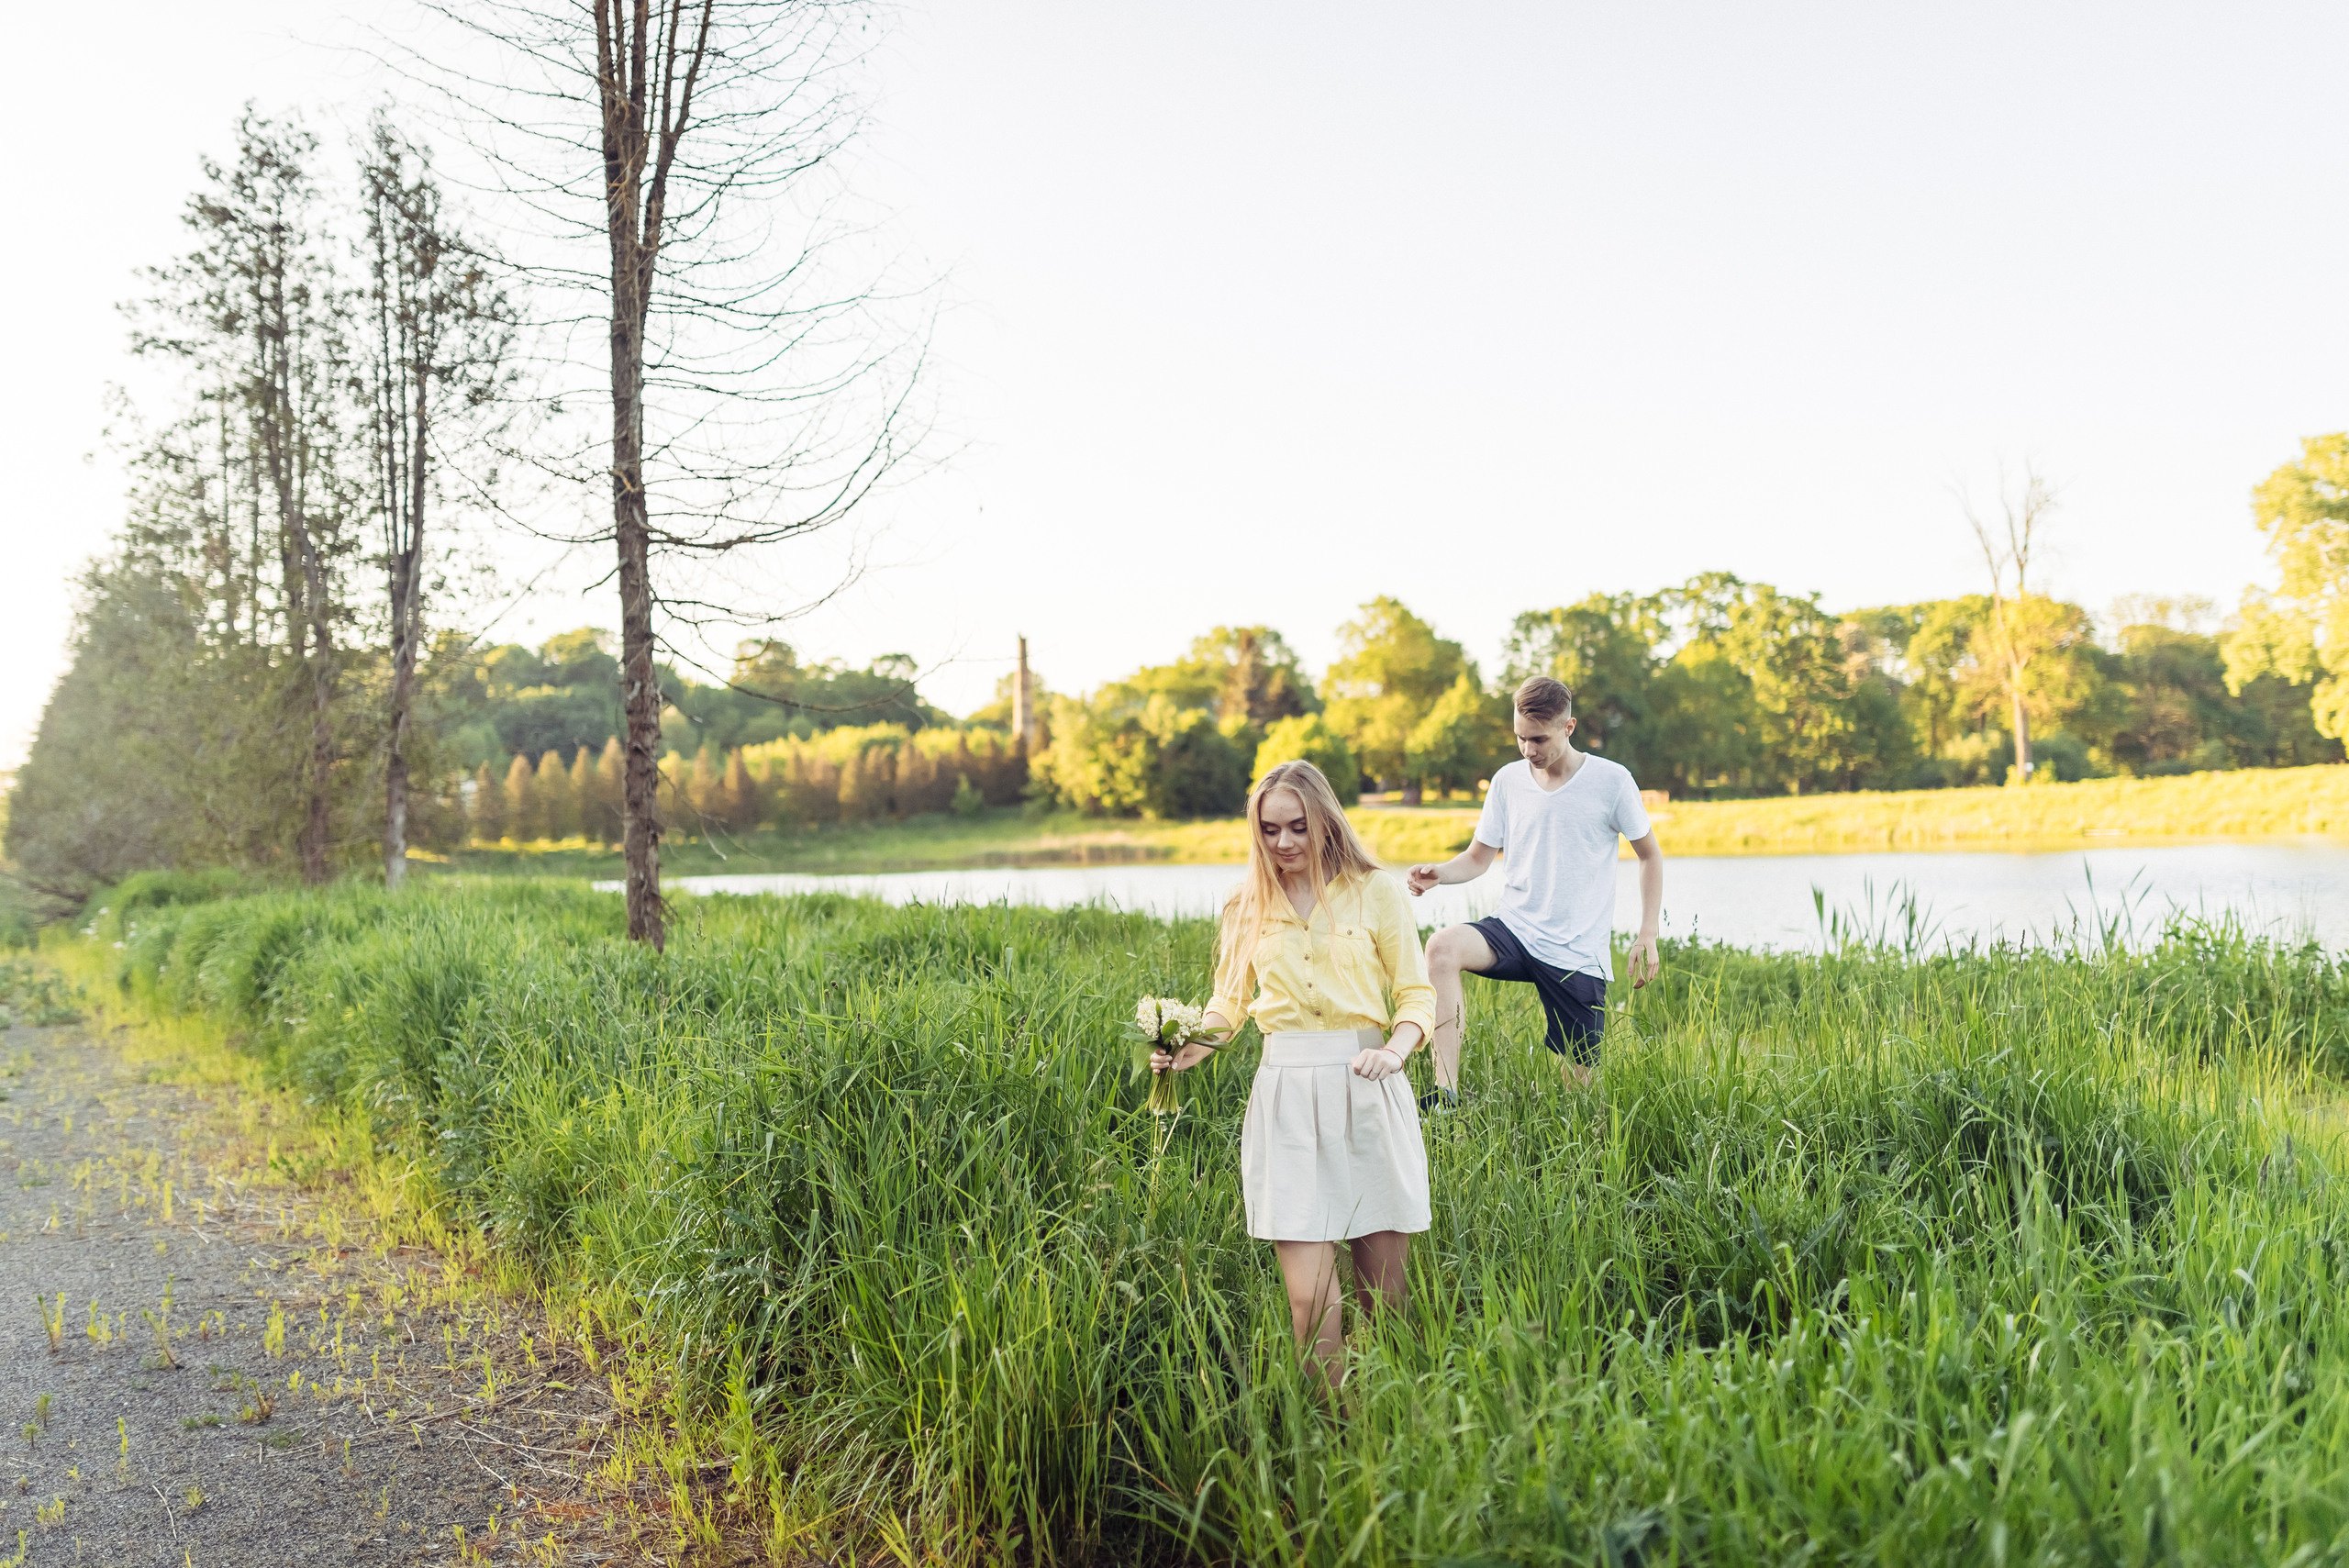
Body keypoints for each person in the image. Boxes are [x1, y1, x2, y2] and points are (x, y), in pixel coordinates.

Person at [1151, 760, 1435, 1396]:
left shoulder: (1376, 891)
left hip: (1368, 1087)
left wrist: (1396, 1049)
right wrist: (1191, 1045)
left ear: (1326, 820)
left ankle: (1389, 1439)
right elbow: (1228, 1004)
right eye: (1270, 830)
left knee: (1383, 1299)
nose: (1283, 843)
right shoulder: (1245, 904)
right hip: (1284, 1098)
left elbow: (1417, 995)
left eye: (1298, 827)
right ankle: (1337, 1441)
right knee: (1311, 1305)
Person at [1405, 674, 1663, 1101]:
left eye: (1539, 739)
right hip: (1514, 928)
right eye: (1520, 738)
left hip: (1576, 950)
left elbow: (1650, 855)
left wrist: (1647, 932)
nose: (1529, 750)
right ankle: (1446, 1093)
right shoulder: (1508, 781)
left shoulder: (1612, 781)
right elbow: (1477, 858)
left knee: (1582, 1096)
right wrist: (1440, 875)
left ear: (1569, 727)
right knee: (1442, 948)